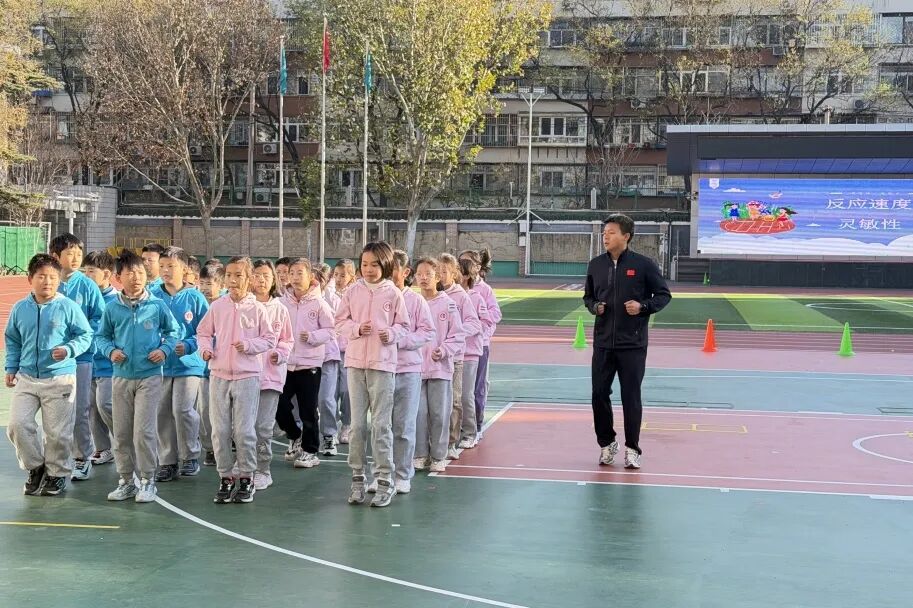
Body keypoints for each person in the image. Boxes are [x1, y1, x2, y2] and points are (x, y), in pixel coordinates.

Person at [583, 214, 671, 470]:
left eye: (611, 232)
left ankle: (633, 448)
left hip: (632, 344)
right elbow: (588, 297)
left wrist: (643, 307)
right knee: (599, 394)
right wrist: (594, 307)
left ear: (626, 236)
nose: (605, 236)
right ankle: (607, 443)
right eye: (604, 233)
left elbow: (663, 295)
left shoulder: (644, 265)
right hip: (603, 343)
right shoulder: (596, 265)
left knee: (630, 397)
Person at [5, 254, 93, 496]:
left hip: (59, 378)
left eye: (53, 277)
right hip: (27, 377)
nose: (47, 281)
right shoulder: (20, 308)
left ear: (59, 280)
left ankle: (57, 474)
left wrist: (69, 349)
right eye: (42, 276)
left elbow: (85, 335)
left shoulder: (68, 306)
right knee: (17, 425)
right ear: (30, 279)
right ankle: (36, 467)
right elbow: (13, 339)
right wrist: (11, 367)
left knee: (57, 433)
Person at [96, 249, 180, 502]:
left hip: (150, 377)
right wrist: (111, 351)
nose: (136, 277)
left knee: (143, 431)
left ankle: (147, 480)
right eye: (130, 273)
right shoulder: (112, 308)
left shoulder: (156, 305)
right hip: (121, 377)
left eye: (141, 272)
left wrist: (164, 350)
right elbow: (101, 337)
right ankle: (126, 480)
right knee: (122, 432)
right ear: (118, 277)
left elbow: (174, 331)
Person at [335, 242, 409, 507]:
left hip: (382, 366)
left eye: (375, 264)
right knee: (357, 426)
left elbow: (404, 326)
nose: (369, 269)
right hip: (355, 365)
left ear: (386, 265)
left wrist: (392, 334)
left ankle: (384, 479)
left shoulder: (393, 293)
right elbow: (339, 322)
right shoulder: (352, 291)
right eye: (365, 264)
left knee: (380, 425)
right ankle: (358, 477)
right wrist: (355, 329)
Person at [197, 256, 276, 504]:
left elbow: (269, 339)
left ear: (249, 278)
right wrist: (205, 350)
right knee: (220, 431)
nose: (232, 280)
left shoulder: (258, 309)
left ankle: (246, 477)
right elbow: (203, 332)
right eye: (229, 275)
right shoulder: (217, 306)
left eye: (238, 275)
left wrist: (249, 345)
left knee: (243, 431)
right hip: (219, 375)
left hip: (247, 376)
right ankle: (225, 476)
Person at [377, 250, 434, 495]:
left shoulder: (416, 301)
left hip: (408, 370)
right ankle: (381, 474)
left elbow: (427, 332)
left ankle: (402, 474)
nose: (388, 273)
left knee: (403, 426)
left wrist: (401, 341)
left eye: (392, 269)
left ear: (405, 271)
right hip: (380, 368)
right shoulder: (377, 296)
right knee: (381, 426)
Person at [150, 246, 209, 481]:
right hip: (161, 365)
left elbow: (206, 332)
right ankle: (167, 461)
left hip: (189, 365)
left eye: (171, 266)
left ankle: (190, 456)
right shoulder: (153, 295)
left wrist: (189, 345)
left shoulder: (195, 297)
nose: (165, 270)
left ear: (184, 269)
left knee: (182, 409)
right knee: (162, 412)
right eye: (162, 266)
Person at [50, 233, 104, 482]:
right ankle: (56, 459)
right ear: (55, 256)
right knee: (56, 412)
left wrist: (80, 340)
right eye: (69, 253)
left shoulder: (88, 285)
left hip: (81, 358)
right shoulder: (50, 283)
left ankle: (83, 457)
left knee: (80, 408)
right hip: (54, 360)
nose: (75, 258)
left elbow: (99, 319)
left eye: (78, 254)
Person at [276, 258, 334, 469]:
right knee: (279, 404)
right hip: (285, 363)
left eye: (300, 273)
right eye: (292, 273)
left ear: (310, 276)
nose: (295, 277)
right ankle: (294, 435)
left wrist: (311, 337)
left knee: (308, 410)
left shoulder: (319, 303)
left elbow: (331, 330)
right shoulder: (281, 303)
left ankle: (310, 451)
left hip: (309, 365)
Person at [413, 257, 462, 474]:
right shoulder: (412, 302)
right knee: (419, 413)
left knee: (440, 414)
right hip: (416, 369)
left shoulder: (448, 304)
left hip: (440, 369)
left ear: (437, 277)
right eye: (420, 274)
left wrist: (444, 350)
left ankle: (439, 455)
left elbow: (457, 335)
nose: (423, 278)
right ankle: (420, 454)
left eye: (428, 274)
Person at [251, 260, 293, 490]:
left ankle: (263, 469)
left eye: (266, 275)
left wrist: (281, 353)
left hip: (270, 376)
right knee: (243, 426)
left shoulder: (280, 309)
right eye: (257, 275)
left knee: (263, 427)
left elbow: (287, 340)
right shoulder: (243, 306)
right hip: (244, 375)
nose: (261, 280)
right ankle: (245, 465)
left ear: (274, 280)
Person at [437, 253, 480, 460]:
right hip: (433, 358)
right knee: (435, 403)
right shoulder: (429, 294)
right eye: (438, 271)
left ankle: (452, 442)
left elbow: (474, 323)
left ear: (454, 273)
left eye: (444, 271)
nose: (440, 275)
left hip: (454, 357)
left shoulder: (461, 296)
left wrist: (456, 332)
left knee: (455, 400)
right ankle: (434, 441)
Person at [82, 250, 119, 466]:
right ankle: (103, 448)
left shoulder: (116, 301)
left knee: (105, 404)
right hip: (89, 363)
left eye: (91, 271)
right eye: (85, 271)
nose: (86, 276)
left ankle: (125, 441)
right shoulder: (84, 299)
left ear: (106, 274)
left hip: (109, 365)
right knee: (91, 408)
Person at [459, 249, 501, 439]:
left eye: (467, 262)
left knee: (477, 387)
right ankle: (459, 424)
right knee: (459, 390)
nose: (463, 266)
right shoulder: (454, 288)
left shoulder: (484, 290)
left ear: (477, 267)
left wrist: (478, 328)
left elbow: (494, 315)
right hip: (457, 346)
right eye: (460, 262)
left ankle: (476, 424)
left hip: (478, 346)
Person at [456, 257, 491, 449]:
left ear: (466, 276)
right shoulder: (447, 296)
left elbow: (485, 322)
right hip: (451, 353)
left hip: (469, 354)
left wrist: (467, 333)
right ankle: (453, 431)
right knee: (452, 396)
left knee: (466, 395)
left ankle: (470, 432)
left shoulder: (476, 297)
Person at [196, 261, 224, 466]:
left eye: (210, 283)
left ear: (221, 285)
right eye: (202, 283)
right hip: (202, 369)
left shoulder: (227, 304)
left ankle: (226, 443)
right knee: (204, 410)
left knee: (225, 412)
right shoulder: (197, 302)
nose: (205, 288)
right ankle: (210, 448)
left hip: (224, 368)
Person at [314, 265, 342, 455]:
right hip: (305, 359)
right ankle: (299, 437)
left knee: (326, 399)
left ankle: (329, 434)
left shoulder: (332, 300)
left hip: (328, 356)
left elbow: (339, 326)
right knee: (303, 402)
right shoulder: (294, 301)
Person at [332, 258, 357, 443]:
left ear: (352, 277)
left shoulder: (356, 295)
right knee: (330, 393)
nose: (339, 279)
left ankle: (347, 424)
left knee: (347, 391)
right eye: (336, 275)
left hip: (349, 351)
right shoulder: (327, 294)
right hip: (331, 351)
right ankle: (331, 427)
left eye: (343, 275)